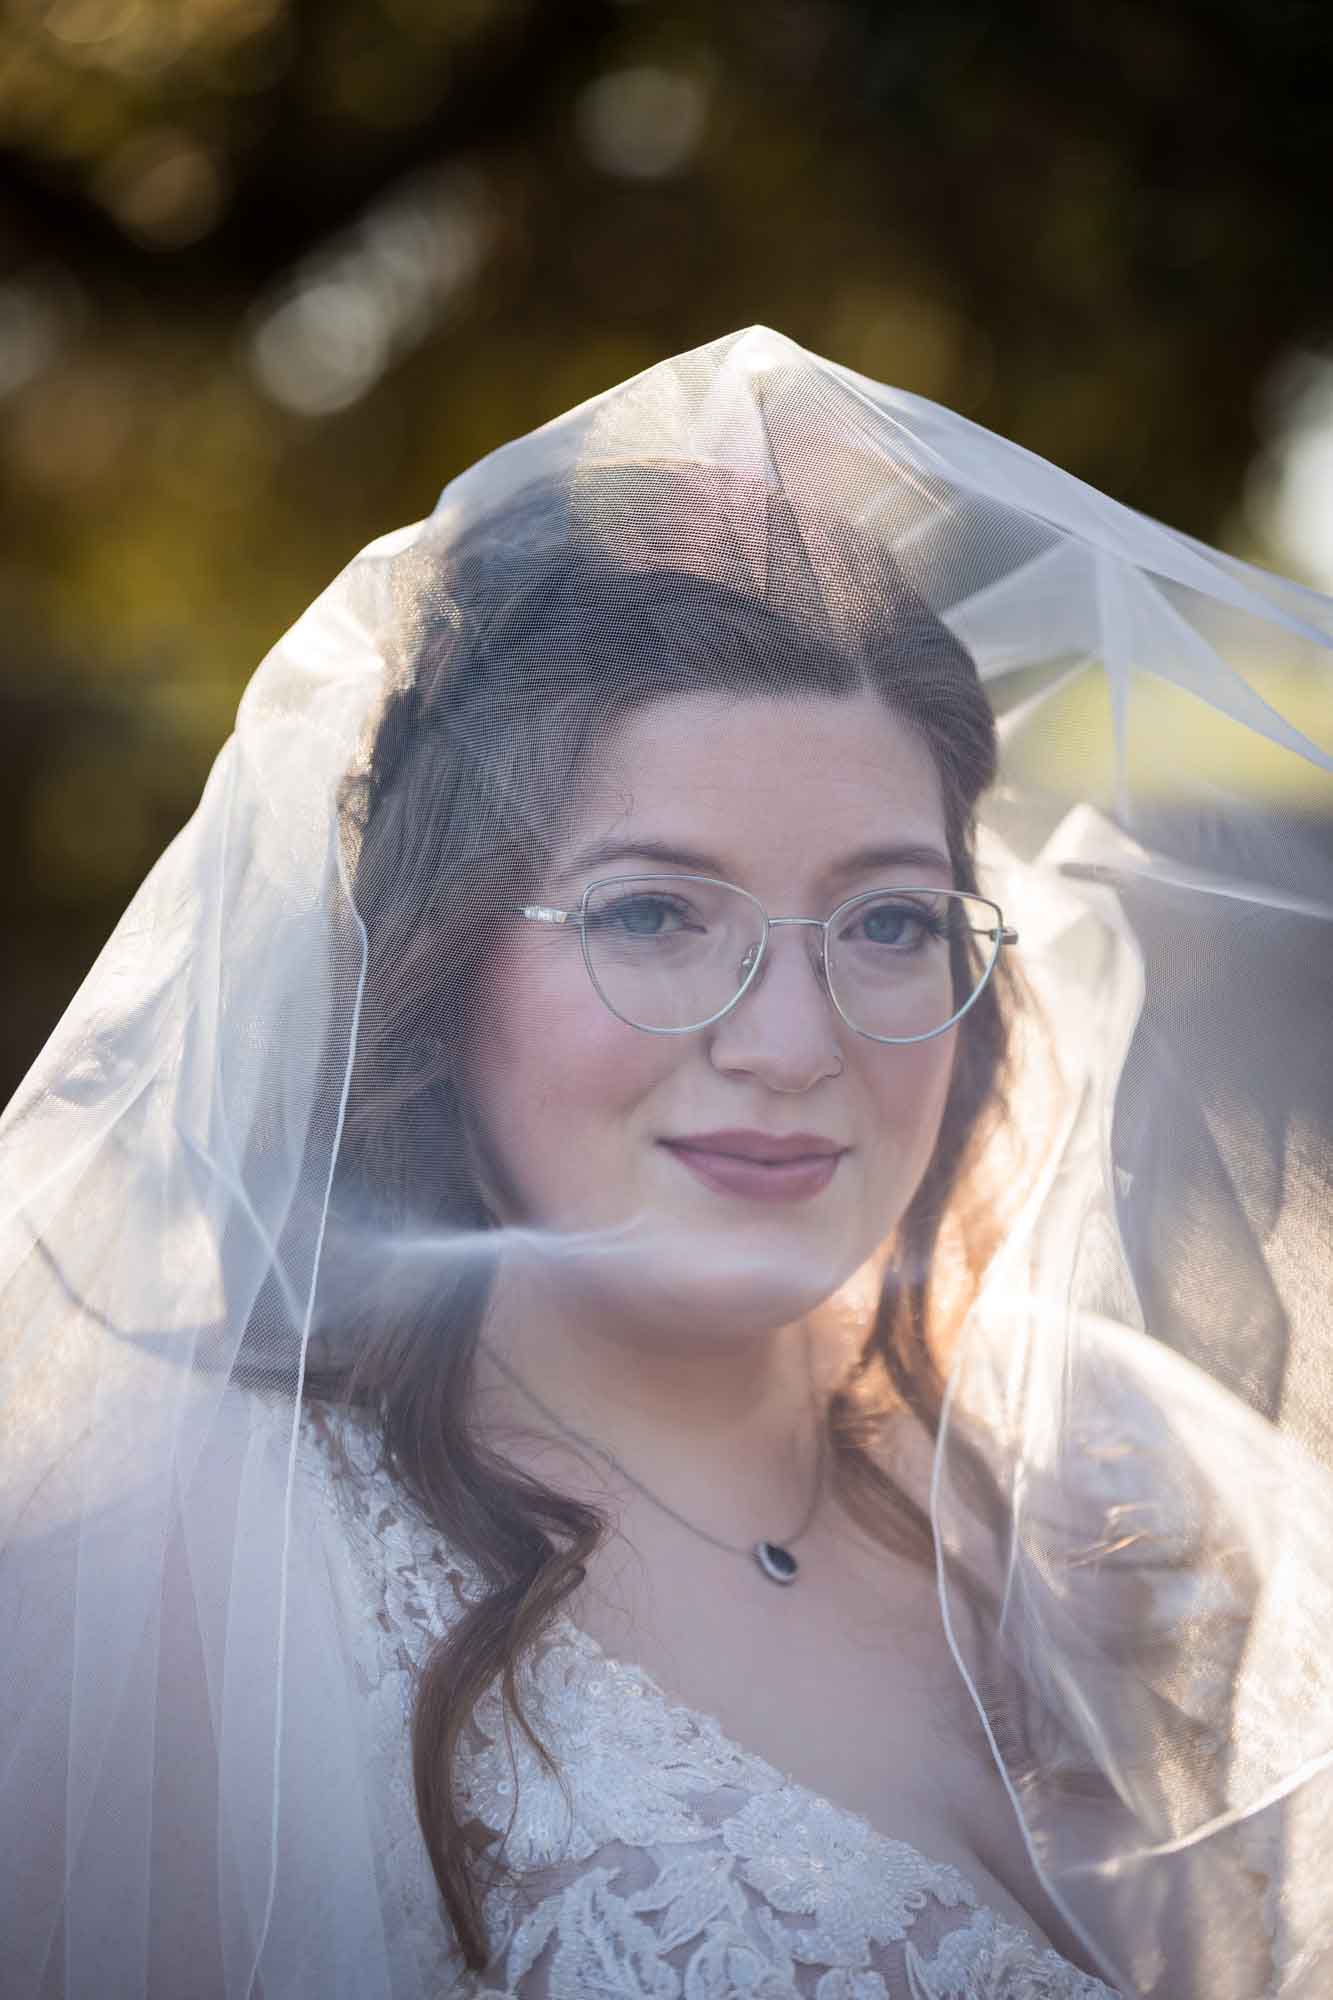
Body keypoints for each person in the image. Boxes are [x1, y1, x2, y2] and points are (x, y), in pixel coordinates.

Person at [2, 327, 1330, 1999]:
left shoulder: (1122, 1480)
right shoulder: (206, 1595)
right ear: (444, 965)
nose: (790, 1040)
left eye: (887, 922)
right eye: (650, 913)